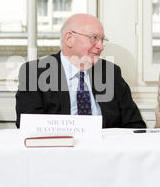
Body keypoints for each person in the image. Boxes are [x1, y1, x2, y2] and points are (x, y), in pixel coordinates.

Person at [15, 13, 146, 129]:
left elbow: (135, 124)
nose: (100, 46)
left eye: (102, 40)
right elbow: (28, 125)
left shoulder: (111, 73)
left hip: (104, 151)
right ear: (69, 39)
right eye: (94, 38)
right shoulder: (35, 73)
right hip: (58, 152)